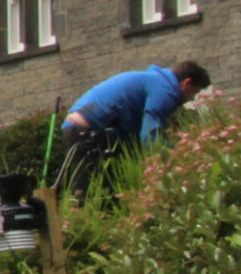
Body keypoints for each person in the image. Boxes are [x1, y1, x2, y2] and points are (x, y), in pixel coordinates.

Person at [57, 60, 210, 201]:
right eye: (193, 94)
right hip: (86, 132)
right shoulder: (165, 89)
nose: (190, 99)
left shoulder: (154, 80)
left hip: (86, 128)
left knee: (108, 190)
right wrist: (170, 161)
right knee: (90, 195)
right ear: (187, 83)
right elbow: (151, 132)